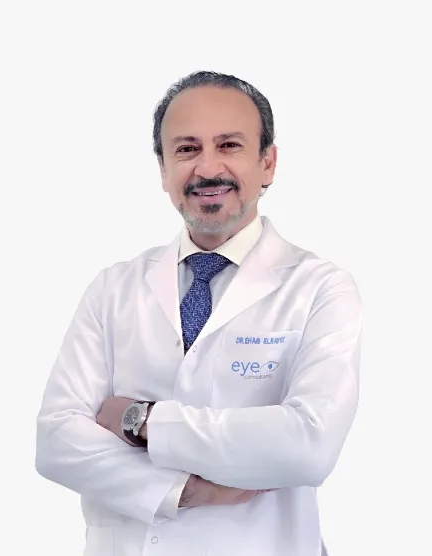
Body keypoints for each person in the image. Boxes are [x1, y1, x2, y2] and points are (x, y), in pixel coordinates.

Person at [35, 70, 363, 556]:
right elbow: (56, 440)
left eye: (229, 145)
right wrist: (179, 491)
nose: (208, 168)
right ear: (164, 170)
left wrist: (140, 419)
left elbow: (308, 447)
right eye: (187, 149)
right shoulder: (114, 287)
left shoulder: (320, 289)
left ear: (267, 164)